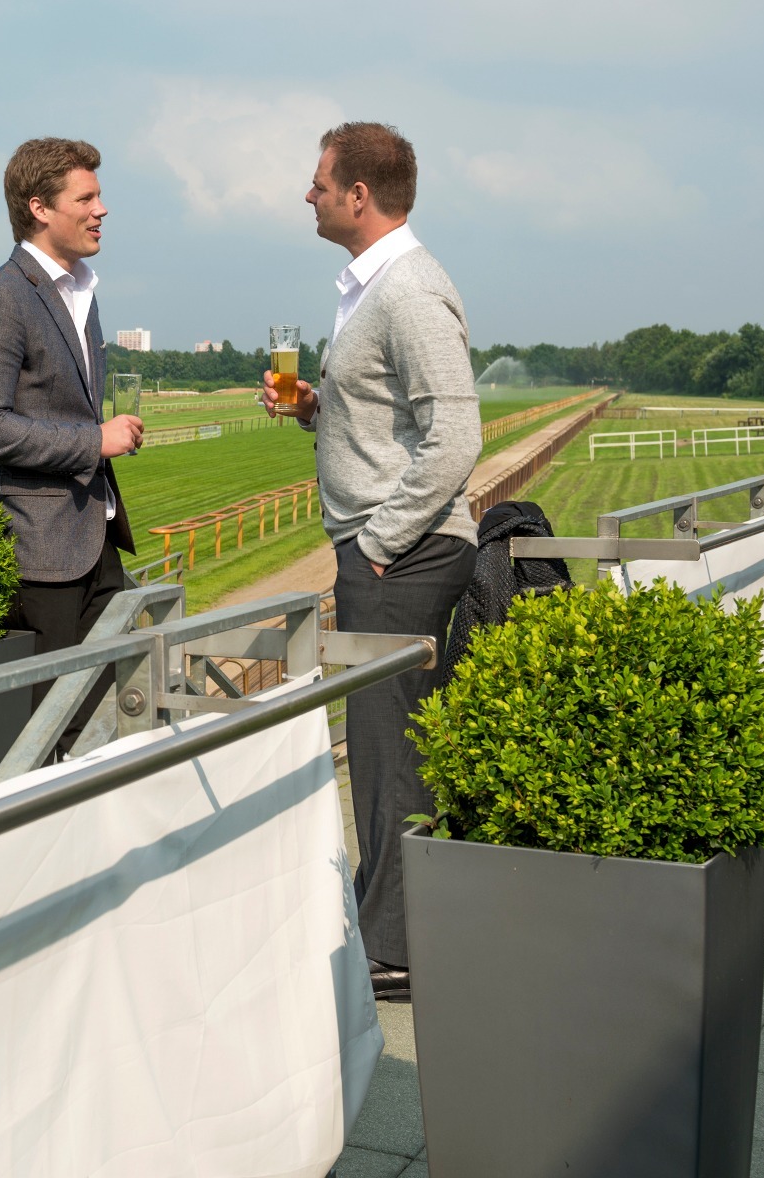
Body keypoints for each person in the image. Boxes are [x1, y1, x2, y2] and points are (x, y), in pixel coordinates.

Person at [276, 121, 480, 999]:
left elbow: (455, 436)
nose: (309, 193)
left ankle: (395, 949)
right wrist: (320, 408)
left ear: (360, 196)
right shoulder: (371, 289)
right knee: (390, 746)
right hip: (389, 548)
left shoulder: (407, 290)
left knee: (389, 750)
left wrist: (380, 543)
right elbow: (392, 422)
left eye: (319, 182)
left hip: (403, 554)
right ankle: (394, 924)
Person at [0, 137, 139, 757]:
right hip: (38, 557)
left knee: (101, 728)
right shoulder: (0, 299)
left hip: (96, 546)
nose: (102, 209)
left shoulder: (79, 294)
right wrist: (96, 441)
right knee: (43, 736)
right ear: (39, 207)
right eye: (86, 197)